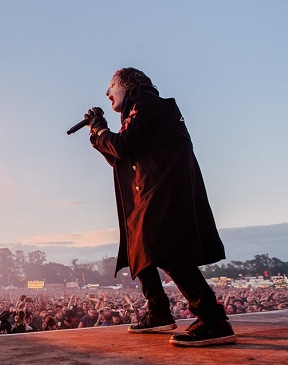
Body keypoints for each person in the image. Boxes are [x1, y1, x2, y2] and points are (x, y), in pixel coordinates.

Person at [81, 67, 236, 347]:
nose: (107, 93)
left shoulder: (147, 101)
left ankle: (213, 319)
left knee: (165, 248)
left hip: (162, 188)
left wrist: (101, 129)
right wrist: (99, 137)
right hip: (152, 189)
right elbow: (123, 159)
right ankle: (158, 312)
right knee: (138, 247)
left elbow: (125, 146)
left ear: (128, 85)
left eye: (111, 86)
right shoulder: (138, 111)